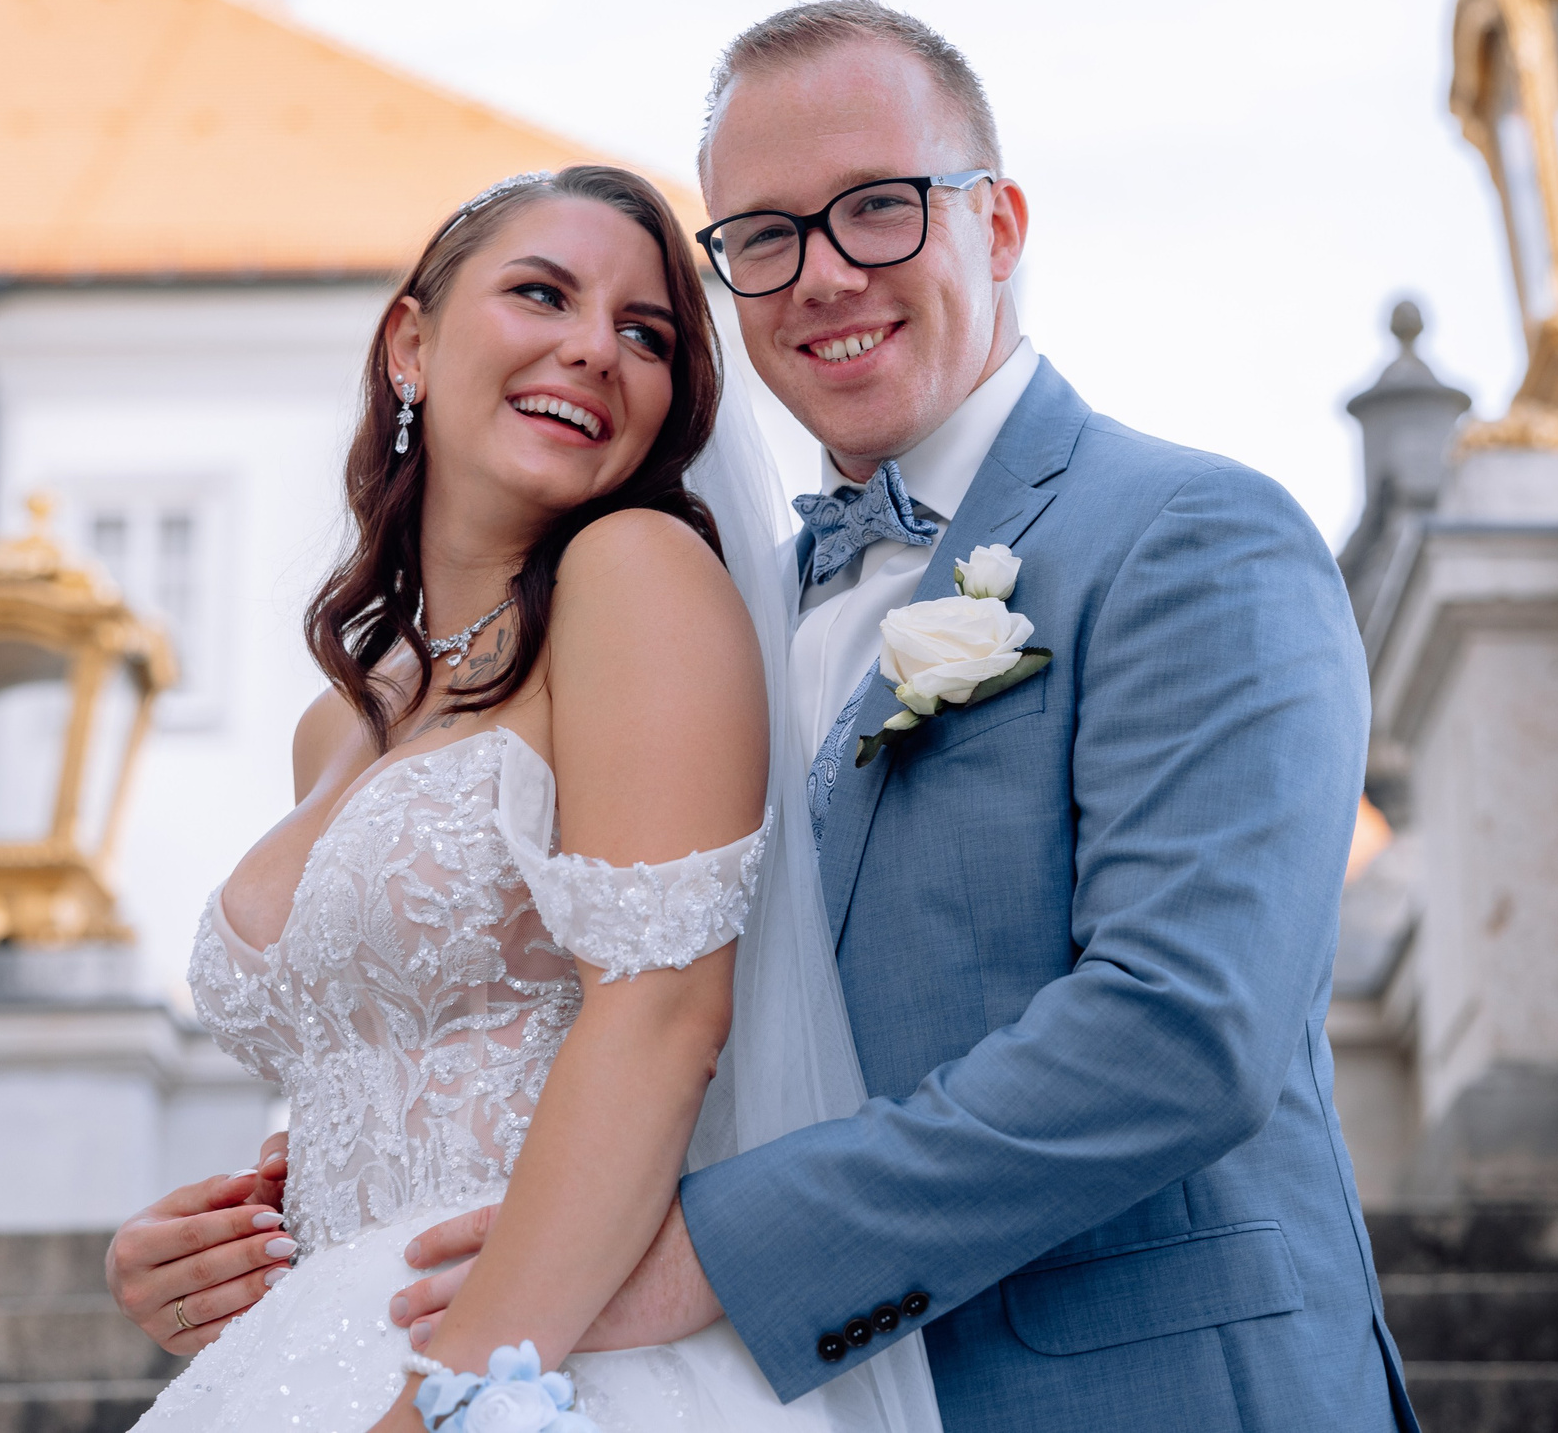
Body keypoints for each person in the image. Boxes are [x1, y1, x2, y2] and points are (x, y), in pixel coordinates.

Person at [119, 0, 1417, 1432]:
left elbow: (1184, 1029)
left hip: (1133, 1386)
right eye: (764, 239)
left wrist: (720, 1258)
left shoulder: (1186, 535)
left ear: (1001, 226)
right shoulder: (716, 606)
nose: (823, 276)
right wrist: (285, 1223)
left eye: (879, 209)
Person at [117, 162, 941, 1431]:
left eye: (645, 332)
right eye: (541, 293)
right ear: (410, 341)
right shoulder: (334, 722)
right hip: (305, 1354)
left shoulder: (636, 574)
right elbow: (412, 1057)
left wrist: (449, 1399)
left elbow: (665, 1015)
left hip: (542, 1360)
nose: (592, 348)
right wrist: (216, 1246)